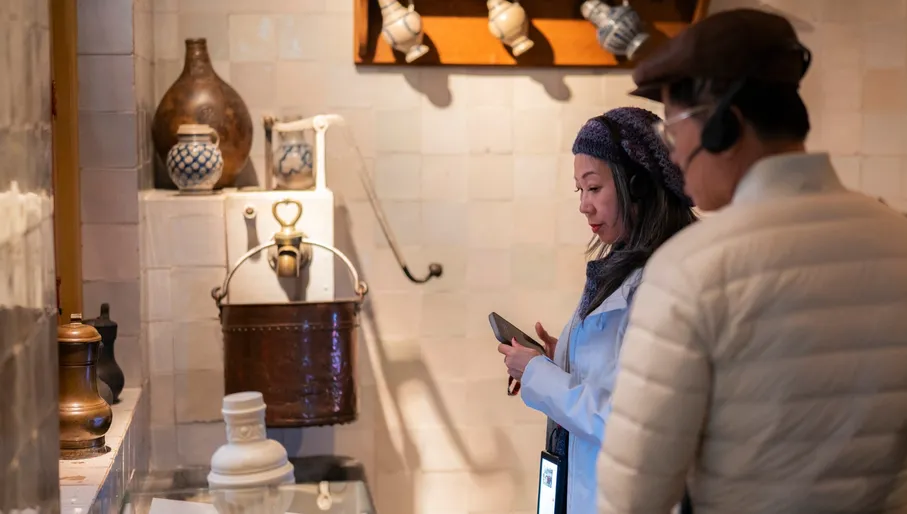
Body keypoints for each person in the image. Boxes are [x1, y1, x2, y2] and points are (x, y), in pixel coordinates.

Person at [596, 8, 907, 514]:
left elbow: (633, 495)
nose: (672, 155)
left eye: (674, 132)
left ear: (726, 127)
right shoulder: (898, 240)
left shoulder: (690, 270)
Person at [497, 107, 697, 514]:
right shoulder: (617, 270)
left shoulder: (665, 283)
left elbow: (631, 424)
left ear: (636, 185)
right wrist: (561, 357)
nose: (584, 206)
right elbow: (613, 371)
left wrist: (539, 375)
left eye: (593, 188)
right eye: (579, 190)